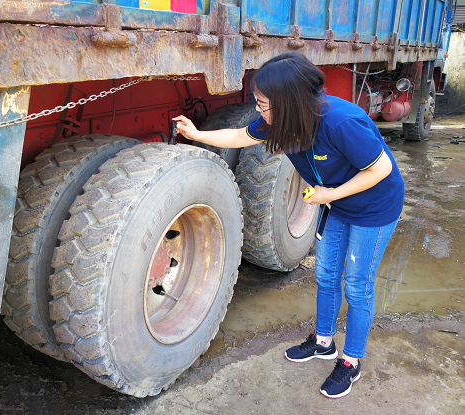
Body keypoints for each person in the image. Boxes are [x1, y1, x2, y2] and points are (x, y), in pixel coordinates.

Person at [173, 52, 404, 399]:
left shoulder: (342, 122)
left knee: (357, 286)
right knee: (326, 275)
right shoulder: (276, 120)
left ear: (290, 101)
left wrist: (331, 193)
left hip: (373, 207)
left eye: (263, 104)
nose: (258, 110)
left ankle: (351, 361)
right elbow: (239, 138)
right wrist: (197, 133)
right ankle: (323, 341)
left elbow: (380, 169)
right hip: (335, 202)